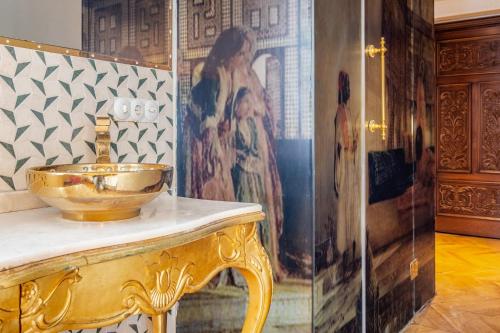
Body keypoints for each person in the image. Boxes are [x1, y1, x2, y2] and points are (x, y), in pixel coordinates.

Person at [185, 27, 286, 281]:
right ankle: (231, 264)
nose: (244, 58)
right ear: (229, 54)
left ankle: (265, 260)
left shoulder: (247, 74)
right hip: (227, 153)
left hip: (253, 148)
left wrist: (259, 112)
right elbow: (213, 116)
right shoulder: (217, 75)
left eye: (247, 53)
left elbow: (260, 106)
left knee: (261, 203)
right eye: (241, 53)